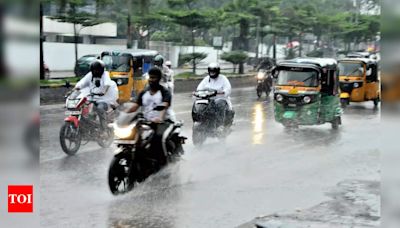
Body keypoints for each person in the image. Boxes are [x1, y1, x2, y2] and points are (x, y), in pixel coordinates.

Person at [128, 67, 173, 165]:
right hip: (147, 122)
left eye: (154, 78)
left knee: (158, 138)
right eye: (150, 77)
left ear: (159, 79)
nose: (151, 80)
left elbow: (165, 105)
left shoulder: (165, 92)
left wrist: (159, 118)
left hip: (163, 122)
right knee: (133, 137)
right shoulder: (144, 92)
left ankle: (164, 163)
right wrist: (123, 113)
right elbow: (135, 106)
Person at [74, 60, 118, 129]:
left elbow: (107, 84)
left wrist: (104, 91)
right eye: (94, 70)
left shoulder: (105, 74)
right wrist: (76, 88)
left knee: (100, 109)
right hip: (93, 98)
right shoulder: (90, 75)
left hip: (104, 99)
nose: (95, 72)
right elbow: (82, 83)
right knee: (87, 112)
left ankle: (104, 130)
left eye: (97, 70)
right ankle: (91, 129)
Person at [196, 62, 234, 128]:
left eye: (214, 71)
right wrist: (197, 93)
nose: (212, 72)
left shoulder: (223, 79)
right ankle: (200, 121)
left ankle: (220, 125)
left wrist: (221, 92)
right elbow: (199, 88)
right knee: (198, 104)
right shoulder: (206, 79)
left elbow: (228, 89)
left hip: (220, 99)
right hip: (208, 100)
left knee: (219, 103)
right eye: (210, 70)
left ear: (218, 71)